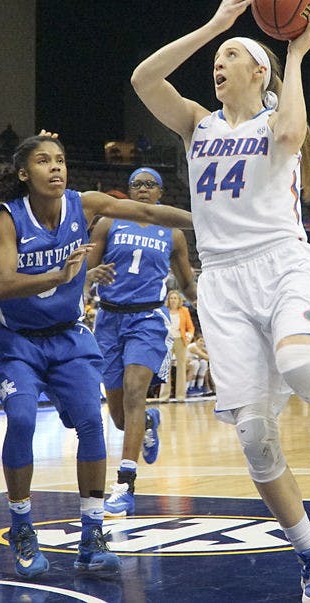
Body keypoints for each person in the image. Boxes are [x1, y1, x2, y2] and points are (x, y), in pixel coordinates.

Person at [131, 0, 310, 603]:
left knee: (300, 363)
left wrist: (296, 55)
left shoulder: (278, 120)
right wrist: (217, 26)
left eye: (232, 56)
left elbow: (294, 135)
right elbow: (143, 80)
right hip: (221, 282)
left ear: (260, 74)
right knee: (252, 435)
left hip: (281, 262)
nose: (218, 64)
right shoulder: (197, 124)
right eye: (216, 59)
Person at [0, 133, 192, 578]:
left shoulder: (85, 204)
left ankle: (92, 537)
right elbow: (3, 283)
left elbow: (151, 213)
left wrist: (210, 222)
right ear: (24, 173)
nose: (56, 168)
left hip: (70, 337)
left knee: (94, 424)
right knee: (20, 419)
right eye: (43, 161)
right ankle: (22, 527)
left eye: (60, 159)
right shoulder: (8, 216)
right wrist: (62, 275)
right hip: (18, 339)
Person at [87, 167, 197, 517]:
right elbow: (83, 272)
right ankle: (149, 423)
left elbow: (188, 283)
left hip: (148, 319)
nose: (143, 190)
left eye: (150, 185)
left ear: (161, 193)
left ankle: (124, 485)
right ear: (129, 191)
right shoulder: (107, 223)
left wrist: (213, 309)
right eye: (136, 184)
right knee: (120, 416)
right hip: (108, 319)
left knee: (136, 393)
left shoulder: (173, 234)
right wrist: (91, 275)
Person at [164, 289, 195, 401]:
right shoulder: (164, 311)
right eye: (171, 298)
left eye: (175, 298)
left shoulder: (184, 311)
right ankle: (164, 396)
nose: (173, 300)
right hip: (167, 341)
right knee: (165, 368)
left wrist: (189, 335)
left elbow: (191, 327)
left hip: (180, 340)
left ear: (179, 300)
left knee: (181, 367)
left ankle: (181, 396)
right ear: (168, 300)